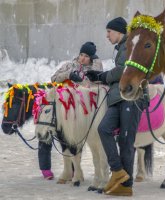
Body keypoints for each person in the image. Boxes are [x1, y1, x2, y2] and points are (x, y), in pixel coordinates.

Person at [85, 17, 144, 196]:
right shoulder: (121, 48)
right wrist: (102, 76)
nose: (107, 36)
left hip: (131, 99)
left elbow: (122, 70)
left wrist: (102, 76)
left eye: (109, 32)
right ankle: (118, 172)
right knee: (103, 129)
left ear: (119, 32)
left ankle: (126, 186)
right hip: (117, 99)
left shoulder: (128, 46)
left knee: (126, 142)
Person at [39, 41, 103, 180]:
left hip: (82, 110)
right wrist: (68, 75)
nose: (82, 58)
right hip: (64, 107)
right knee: (62, 137)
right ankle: (66, 169)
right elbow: (54, 78)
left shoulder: (95, 70)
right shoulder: (69, 65)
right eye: (81, 54)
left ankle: (86, 171)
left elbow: (94, 88)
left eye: (86, 56)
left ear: (91, 58)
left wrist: (80, 81)